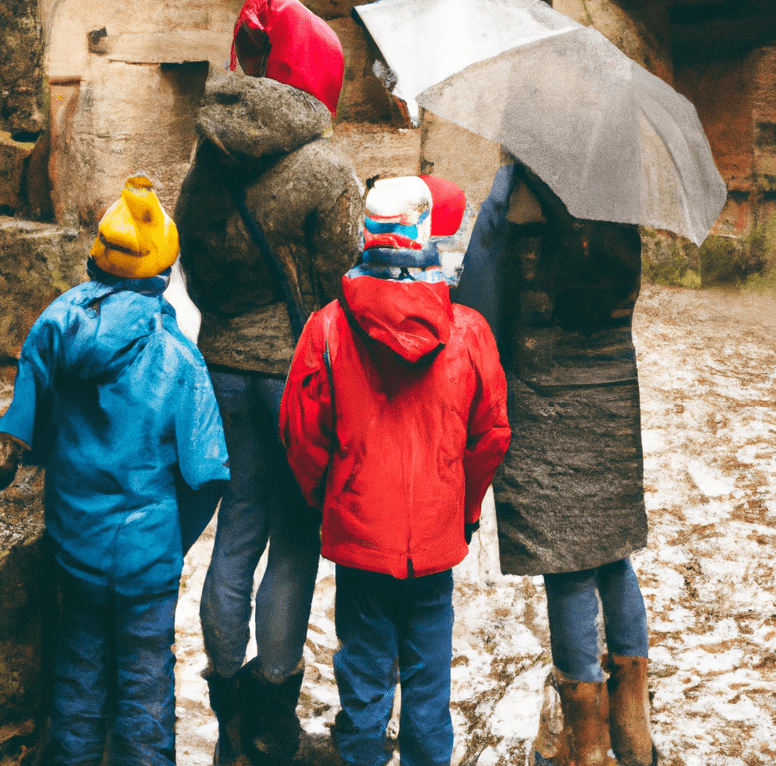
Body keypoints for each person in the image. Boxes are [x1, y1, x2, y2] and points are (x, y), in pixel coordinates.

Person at [174, 0, 363, 765]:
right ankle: (274, 713)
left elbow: (195, 263)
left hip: (220, 367)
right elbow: (344, 284)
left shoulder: (207, 162)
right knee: (293, 541)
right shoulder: (327, 170)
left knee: (235, 534)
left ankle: (224, 704)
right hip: (297, 381)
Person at [0, 175, 229, 766]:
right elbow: (208, 476)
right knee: (146, 675)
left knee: (79, 664)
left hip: (75, 539)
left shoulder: (54, 325)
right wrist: (171, 539)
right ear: (164, 273)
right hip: (148, 550)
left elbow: (28, 433)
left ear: (95, 258)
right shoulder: (180, 359)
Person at [280, 175, 510, 766]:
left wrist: (325, 496)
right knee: (430, 683)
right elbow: (491, 436)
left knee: (362, 676)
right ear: (426, 234)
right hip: (435, 538)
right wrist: (463, 510)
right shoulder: (468, 332)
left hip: (360, 535)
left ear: (367, 233)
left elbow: (302, 432)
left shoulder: (327, 326)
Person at [454, 162, 657, 766]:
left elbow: (480, 303)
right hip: (611, 390)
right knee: (612, 550)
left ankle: (589, 742)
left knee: (567, 565)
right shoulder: (620, 189)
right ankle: (635, 730)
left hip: (542, 392)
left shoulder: (514, 192)